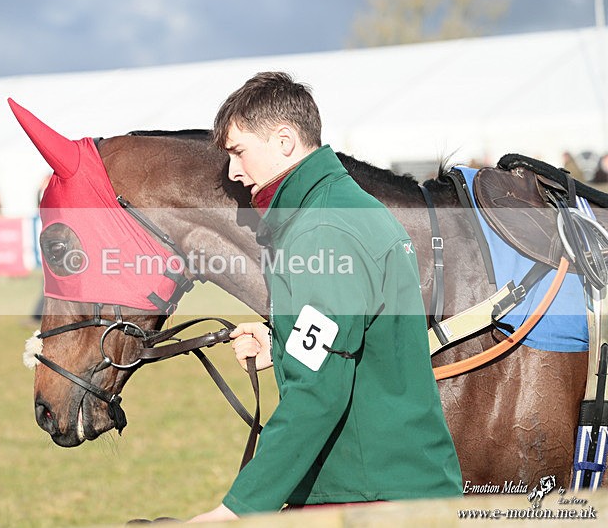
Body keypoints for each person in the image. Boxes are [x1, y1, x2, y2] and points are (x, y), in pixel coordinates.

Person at [189, 72, 462, 522]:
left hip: (368, 497)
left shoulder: (322, 230)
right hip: (390, 485)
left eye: (238, 152)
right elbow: (359, 338)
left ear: (284, 141)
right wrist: (279, 342)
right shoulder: (345, 207)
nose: (234, 171)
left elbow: (318, 391)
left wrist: (238, 509)